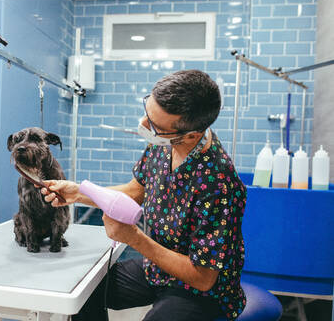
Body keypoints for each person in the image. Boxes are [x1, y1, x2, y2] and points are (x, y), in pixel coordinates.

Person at [40, 70, 247, 321]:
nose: (145, 125)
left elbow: (203, 279)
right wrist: (77, 192)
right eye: (148, 112)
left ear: (191, 135)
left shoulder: (219, 182)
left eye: (156, 126)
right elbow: (134, 192)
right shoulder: (162, 145)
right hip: (157, 268)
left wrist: (134, 238)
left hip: (201, 292)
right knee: (84, 291)